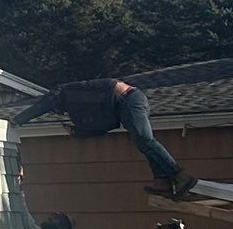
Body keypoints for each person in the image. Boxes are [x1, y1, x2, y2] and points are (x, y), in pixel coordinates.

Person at [13, 77, 198, 198]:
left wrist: (19, 120)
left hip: (128, 98)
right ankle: (162, 180)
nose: (61, 111)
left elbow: (43, 104)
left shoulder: (64, 93)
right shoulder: (85, 103)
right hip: (120, 106)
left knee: (144, 138)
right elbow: (105, 126)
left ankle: (179, 175)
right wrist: (80, 132)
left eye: (58, 109)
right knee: (141, 142)